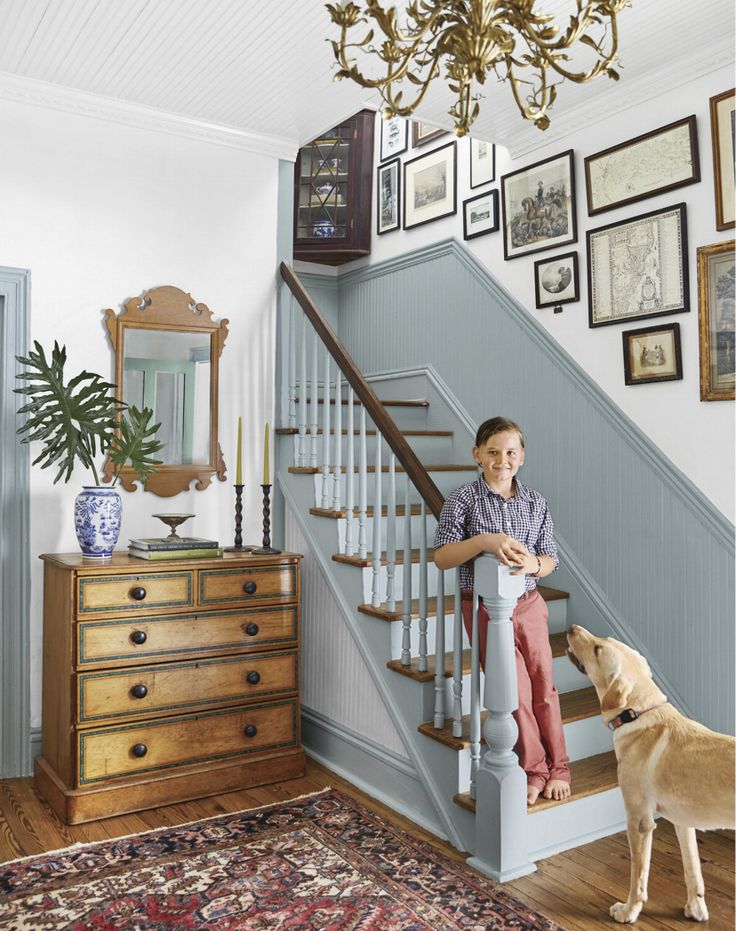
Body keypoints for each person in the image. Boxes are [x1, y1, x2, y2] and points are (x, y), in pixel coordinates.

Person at [433, 416, 571, 806]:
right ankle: (534, 768)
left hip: (529, 605)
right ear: (477, 455)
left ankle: (559, 767)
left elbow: (550, 559)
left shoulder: (535, 502)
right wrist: (483, 541)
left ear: (522, 457)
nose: (502, 460)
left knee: (545, 687)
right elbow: (443, 557)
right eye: (493, 452)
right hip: (484, 611)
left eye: (510, 452)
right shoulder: (462, 500)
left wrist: (534, 566)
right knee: (516, 693)